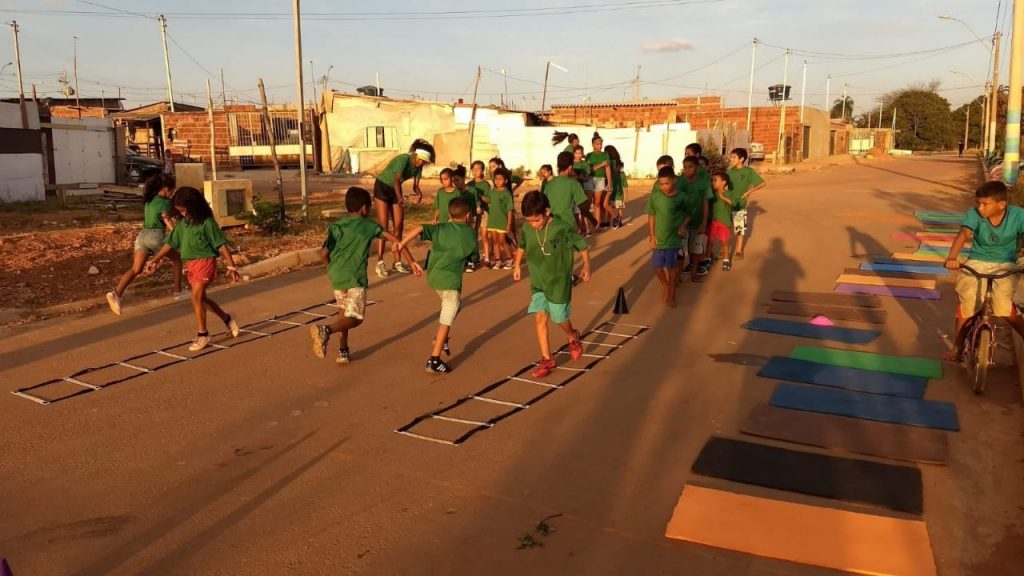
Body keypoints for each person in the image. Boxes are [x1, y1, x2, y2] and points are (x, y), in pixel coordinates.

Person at [311, 187, 413, 364]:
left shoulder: (336, 226)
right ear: (365, 208)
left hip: (337, 274)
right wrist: (411, 260)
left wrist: (330, 269)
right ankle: (325, 330)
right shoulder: (370, 226)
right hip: (355, 276)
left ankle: (343, 351)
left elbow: (324, 253)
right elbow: (395, 240)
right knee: (356, 318)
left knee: (343, 313)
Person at [145, 187, 241, 351]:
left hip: (205, 262)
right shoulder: (183, 224)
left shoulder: (207, 223)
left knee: (195, 298)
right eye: (179, 211)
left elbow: (221, 245)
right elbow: (170, 243)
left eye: (184, 210)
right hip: (191, 264)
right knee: (202, 299)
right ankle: (227, 318)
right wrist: (154, 260)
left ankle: (203, 335)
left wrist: (231, 266)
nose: (182, 214)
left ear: (194, 206)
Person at [394, 197, 479, 373]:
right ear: (468, 215)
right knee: (446, 318)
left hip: (433, 277)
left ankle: (442, 338)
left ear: (449, 214)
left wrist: (402, 243)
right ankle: (434, 359)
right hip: (449, 282)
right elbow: (474, 258)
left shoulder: (441, 228)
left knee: (456, 306)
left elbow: (420, 228)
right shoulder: (470, 234)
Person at [513, 191, 592, 378]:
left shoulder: (562, 228)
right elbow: (522, 246)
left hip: (558, 282)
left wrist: (587, 265)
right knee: (540, 318)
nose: (533, 225)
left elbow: (581, 245)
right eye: (529, 221)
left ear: (547, 212)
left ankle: (572, 336)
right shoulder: (527, 229)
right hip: (538, 280)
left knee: (559, 319)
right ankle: (547, 360)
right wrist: (517, 265)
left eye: (536, 220)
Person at [944, 181, 1024, 361]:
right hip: (977, 261)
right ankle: (958, 346)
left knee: (1003, 304)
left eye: (985, 204)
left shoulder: (1018, 215)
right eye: (978, 203)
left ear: (1001, 204)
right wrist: (952, 257)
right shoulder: (974, 214)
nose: (980, 208)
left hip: (1005, 264)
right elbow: (964, 233)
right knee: (968, 303)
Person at [106, 174, 183, 316]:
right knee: (177, 259)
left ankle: (116, 293)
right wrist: (175, 232)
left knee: (136, 268)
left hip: (142, 236)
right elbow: (166, 217)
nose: (172, 194)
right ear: (166, 189)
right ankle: (178, 291)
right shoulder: (164, 202)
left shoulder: (149, 200)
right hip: (156, 235)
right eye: (172, 190)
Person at [373, 139, 434, 278]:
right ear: (415, 156)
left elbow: (415, 186)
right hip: (383, 186)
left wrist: (419, 193)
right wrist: (400, 198)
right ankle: (380, 262)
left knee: (399, 225)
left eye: (425, 162)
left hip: (395, 190)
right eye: (421, 160)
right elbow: (396, 180)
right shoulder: (403, 159)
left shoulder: (419, 168)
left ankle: (397, 261)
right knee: (383, 227)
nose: (421, 164)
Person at [647, 166, 688, 307]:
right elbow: (651, 215)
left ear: (674, 181)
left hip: (674, 239)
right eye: (661, 184)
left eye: (667, 183)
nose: (664, 187)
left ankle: (671, 295)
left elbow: (689, 214)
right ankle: (665, 285)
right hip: (659, 238)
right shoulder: (655, 197)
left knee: (672, 268)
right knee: (657, 267)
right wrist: (651, 235)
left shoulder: (682, 197)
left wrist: (683, 226)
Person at [676, 156, 712, 282]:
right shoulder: (679, 182)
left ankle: (694, 271)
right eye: (685, 167)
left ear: (697, 168)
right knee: (680, 250)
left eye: (690, 167)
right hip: (682, 223)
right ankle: (678, 275)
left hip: (697, 222)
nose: (687, 170)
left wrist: (704, 222)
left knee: (695, 249)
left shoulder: (703, 183)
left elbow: (705, 203)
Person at [726, 148, 766, 259]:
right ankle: (725, 249)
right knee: (726, 227)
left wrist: (749, 191)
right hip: (728, 202)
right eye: (731, 157)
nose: (731, 159)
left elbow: (762, 183)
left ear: (741, 159)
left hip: (740, 204)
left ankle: (738, 251)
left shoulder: (748, 172)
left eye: (733, 157)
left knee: (739, 228)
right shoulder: (729, 171)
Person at [709, 171, 744, 271]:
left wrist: (722, 197)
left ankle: (726, 260)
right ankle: (707, 259)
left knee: (724, 243)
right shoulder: (712, 194)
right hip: (714, 222)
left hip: (724, 222)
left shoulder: (729, 194)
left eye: (715, 180)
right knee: (710, 242)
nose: (713, 183)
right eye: (713, 181)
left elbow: (733, 203)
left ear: (724, 182)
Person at [543, 151, 589, 227]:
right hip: (566, 225)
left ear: (557, 166)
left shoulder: (549, 184)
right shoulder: (574, 183)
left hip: (551, 225)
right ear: (570, 167)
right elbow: (582, 206)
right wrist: (593, 220)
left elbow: (544, 203)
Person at [484, 168, 516, 269]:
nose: (497, 181)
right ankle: (498, 260)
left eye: (500, 179)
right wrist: (479, 196)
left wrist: (509, 224)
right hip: (493, 220)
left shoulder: (506, 193)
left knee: (502, 241)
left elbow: (510, 209)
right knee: (494, 241)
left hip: (503, 221)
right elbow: (489, 200)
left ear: (506, 180)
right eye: (496, 179)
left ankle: (510, 259)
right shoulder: (493, 191)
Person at [451, 165, 481, 271]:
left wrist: (477, 210)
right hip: (459, 219)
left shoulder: (472, 190)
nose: (455, 183)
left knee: (470, 239)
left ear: (463, 179)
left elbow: (477, 204)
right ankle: (464, 259)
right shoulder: (455, 192)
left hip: (471, 218)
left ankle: (472, 261)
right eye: (454, 180)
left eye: (457, 180)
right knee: (460, 239)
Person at [586, 132, 613, 229]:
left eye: (601, 144)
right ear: (593, 144)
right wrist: (601, 165)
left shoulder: (605, 154)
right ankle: (587, 225)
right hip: (589, 180)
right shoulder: (589, 155)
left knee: (597, 203)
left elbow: (607, 169)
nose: (600, 146)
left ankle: (597, 224)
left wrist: (609, 182)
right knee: (589, 203)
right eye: (597, 144)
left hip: (600, 180)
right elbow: (589, 170)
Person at [606, 145, 626, 229]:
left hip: (611, 185)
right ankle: (619, 220)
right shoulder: (618, 162)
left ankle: (610, 220)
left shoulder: (609, 162)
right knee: (619, 206)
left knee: (609, 204)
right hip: (618, 189)